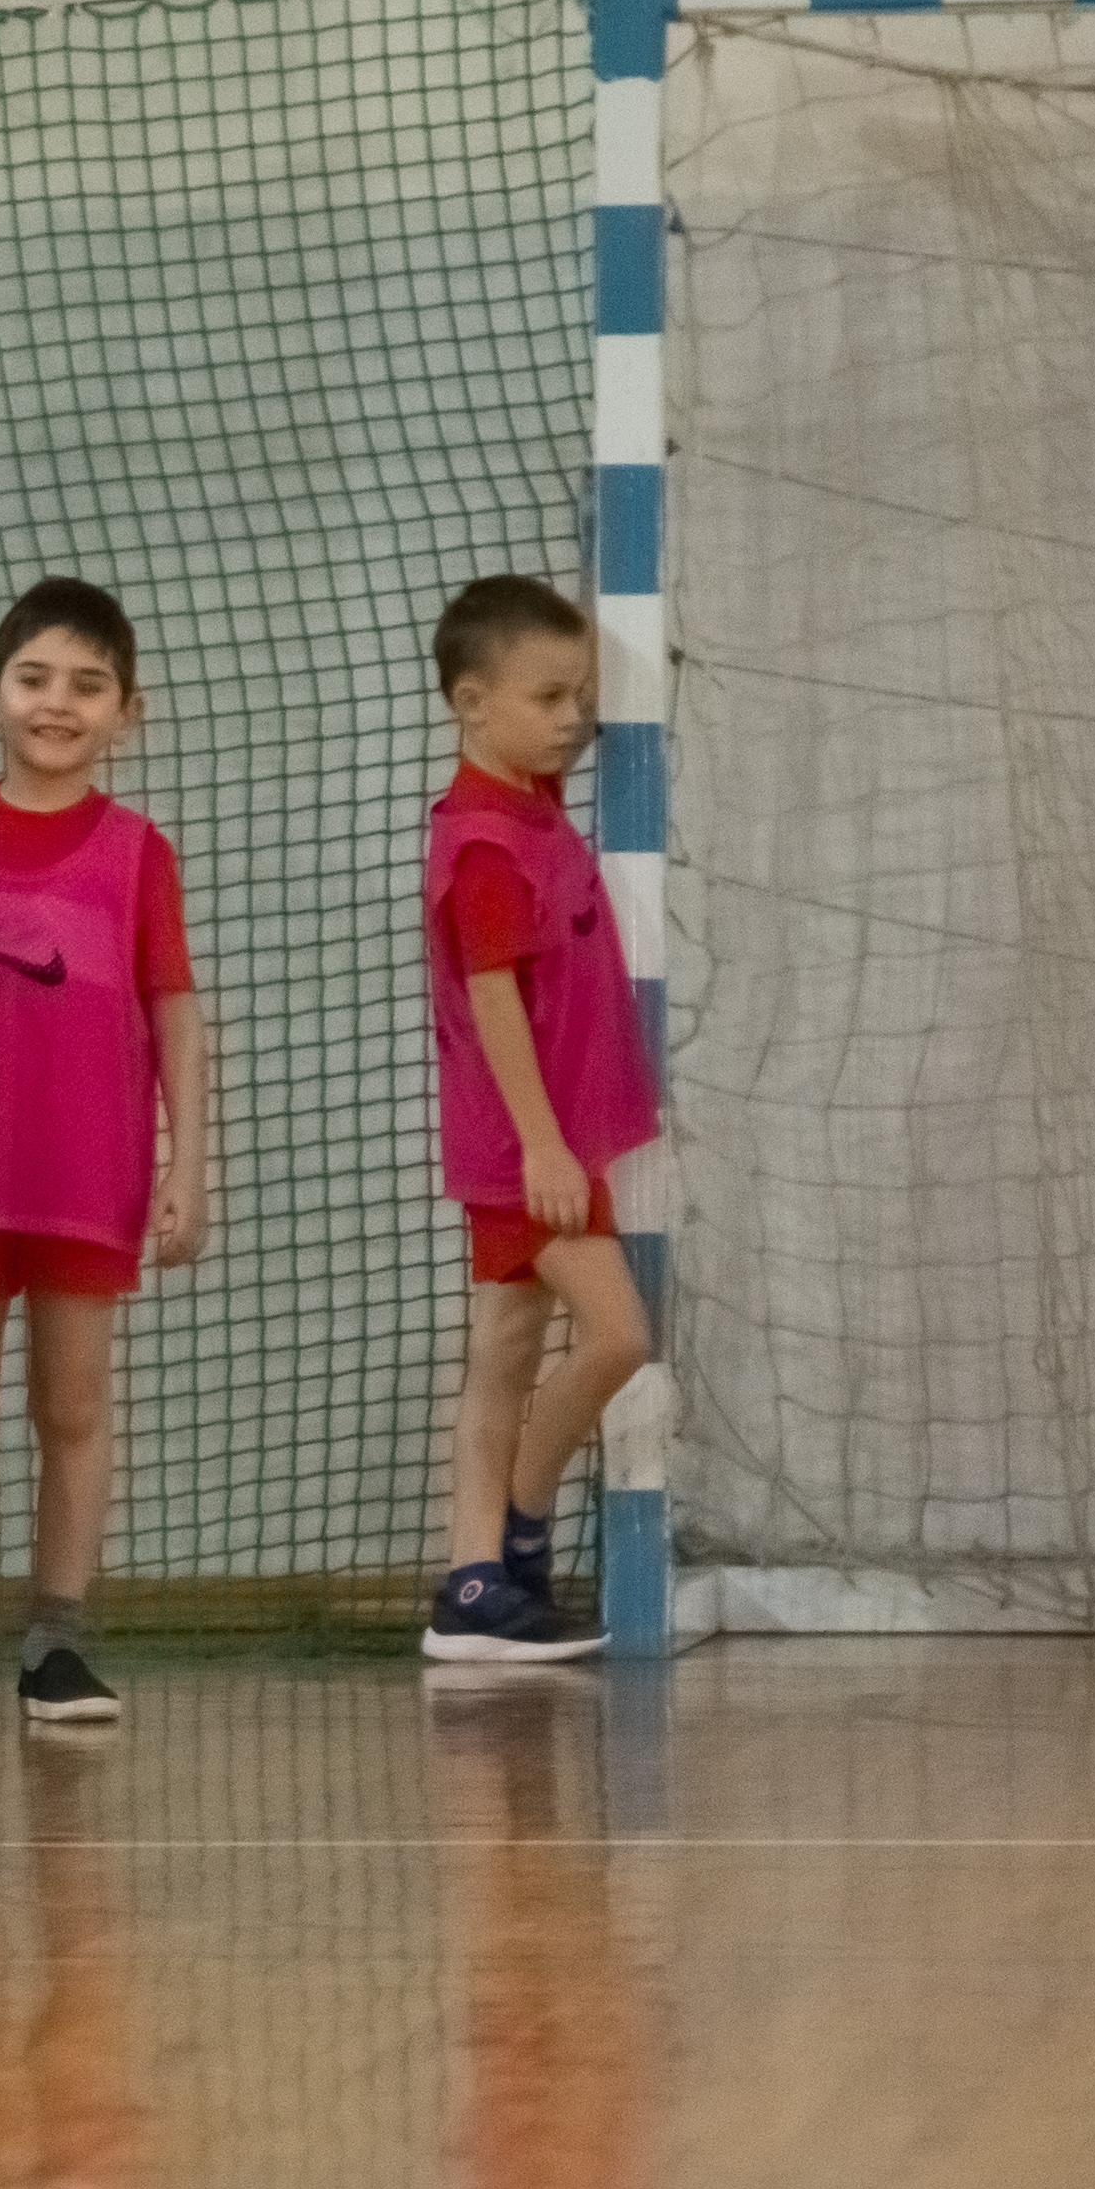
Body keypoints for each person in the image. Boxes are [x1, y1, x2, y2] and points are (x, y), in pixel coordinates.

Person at [0, 577, 212, 1727]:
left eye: (88, 685)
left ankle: (57, 1643)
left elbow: (174, 1011)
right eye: (34, 679)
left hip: (87, 1175)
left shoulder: (138, 855)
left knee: (74, 1409)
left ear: (130, 711)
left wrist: (188, 1165)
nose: (57, 703)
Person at [420, 575, 655, 1664]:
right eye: (549, 697)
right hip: (529, 1152)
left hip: (544, 1145)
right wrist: (547, 1144)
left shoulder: (530, 808)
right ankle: (514, 1524)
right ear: (472, 703)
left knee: (506, 1353)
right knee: (618, 1336)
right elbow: (492, 994)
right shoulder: (484, 843)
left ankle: (474, 1583)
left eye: (581, 696)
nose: (573, 718)